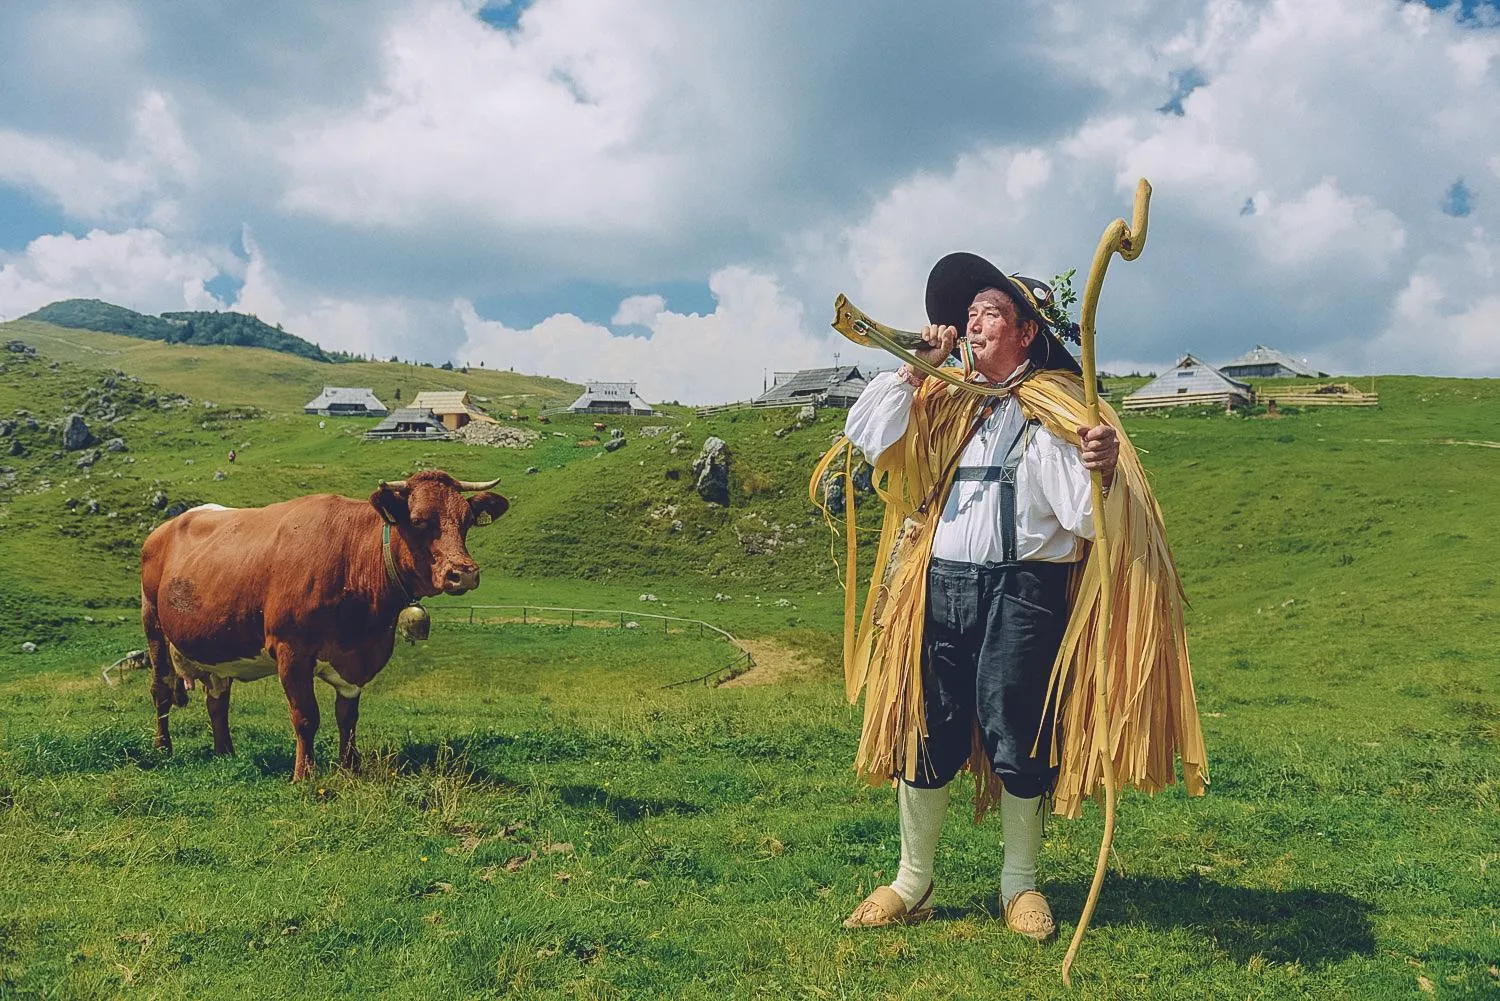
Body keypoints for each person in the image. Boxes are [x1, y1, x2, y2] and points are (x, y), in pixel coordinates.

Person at [830, 252, 1205, 942]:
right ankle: (912, 882)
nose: (972, 322)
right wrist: (915, 368)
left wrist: (1105, 467)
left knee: (1017, 733)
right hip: (938, 586)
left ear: (1027, 332)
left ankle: (1019, 884)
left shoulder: (1061, 408)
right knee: (926, 726)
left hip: (1023, 591)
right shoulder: (942, 398)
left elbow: (1089, 521)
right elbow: (866, 434)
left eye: (990, 312)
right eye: (968, 312)